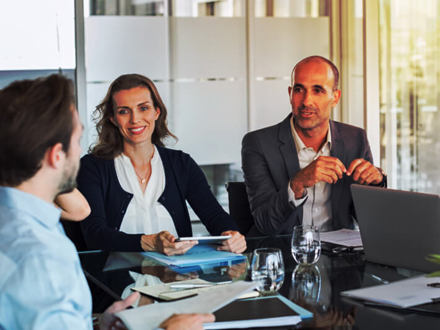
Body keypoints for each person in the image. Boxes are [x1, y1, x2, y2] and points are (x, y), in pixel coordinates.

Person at [0, 75, 214, 329]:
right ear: (57, 156)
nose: (80, 152)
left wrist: (102, 325)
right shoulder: (39, 255)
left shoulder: (23, 225)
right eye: (76, 141)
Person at [77, 74, 246, 255]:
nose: (135, 119)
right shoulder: (92, 167)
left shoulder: (181, 164)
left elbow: (215, 216)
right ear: (113, 118)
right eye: (124, 111)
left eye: (143, 108)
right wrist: (149, 242)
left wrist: (232, 235)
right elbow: (94, 234)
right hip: (116, 279)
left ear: (157, 112)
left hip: (179, 278)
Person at [241, 56, 386, 235]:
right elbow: (265, 223)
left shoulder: (355, 138)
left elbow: (368, 218)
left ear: (335, 97)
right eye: (299, 89)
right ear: (290, 94)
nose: (306, 101)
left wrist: (376, 182)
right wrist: (297, 183)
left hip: (341, 255)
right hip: (284, 255)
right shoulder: (258, 144)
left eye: (317, 90)